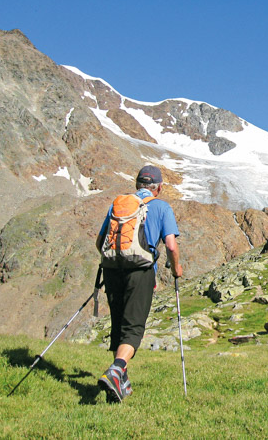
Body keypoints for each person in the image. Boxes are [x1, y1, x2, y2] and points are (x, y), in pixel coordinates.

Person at [95, 165, 183, 403]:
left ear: (137, 185)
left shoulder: (120, 204)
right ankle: (117, 370)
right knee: (133, 327)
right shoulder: (161, 206)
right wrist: (176, 269)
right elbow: (171, 246)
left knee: (118, 325)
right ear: (159, 187)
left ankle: (120, 383)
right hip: (140, 271)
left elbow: (100, 242)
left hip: (112, 269)